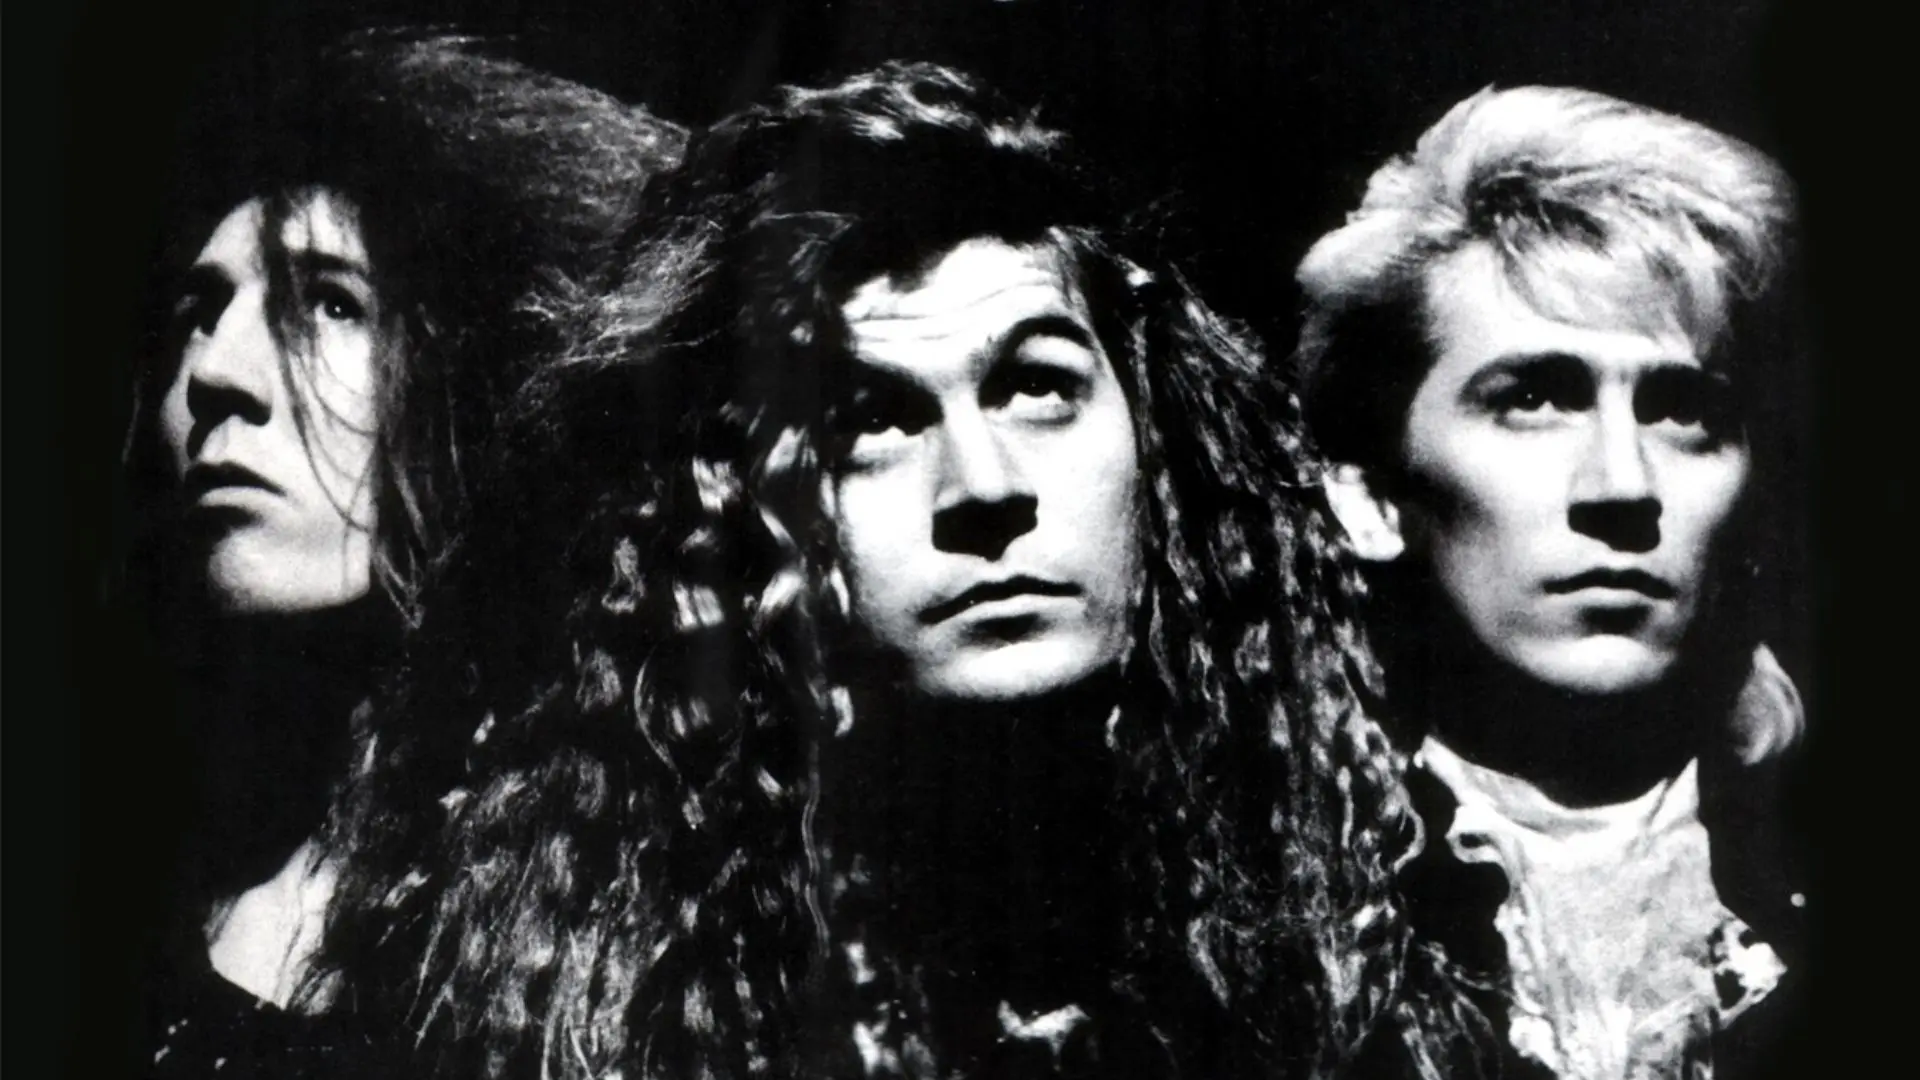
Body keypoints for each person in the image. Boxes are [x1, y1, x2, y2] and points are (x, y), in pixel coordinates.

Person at [315, 62, 1492, 1080]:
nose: (982, 488)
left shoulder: (1382, 940)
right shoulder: (610, 1008)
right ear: (736, 513)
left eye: (1038, 385)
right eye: (870, 420)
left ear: (1156, 435)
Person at [122, 30, 683, 1078]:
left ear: (491, 388)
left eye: (331, 302)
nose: (216, 374)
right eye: (201, 312)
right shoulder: (122, 852)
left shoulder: (627, 916)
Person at [1292, 85, 1807, 1079]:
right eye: (1532, 398)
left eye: (1682, 411)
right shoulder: (1257, 900)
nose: (1622, 486)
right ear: (1372, 500)